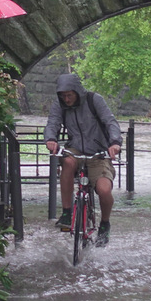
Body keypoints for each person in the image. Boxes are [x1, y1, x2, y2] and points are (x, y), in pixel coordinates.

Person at [44, 73, 122, 246]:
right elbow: (53, 123)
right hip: (75, 148)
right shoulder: (60, 105)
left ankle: (105, 224)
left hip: (99, 152)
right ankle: (66, 212)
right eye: (63, 96)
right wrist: (51, 139)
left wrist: (115, 143)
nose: (66, 99)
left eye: (69, 95)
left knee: (103, 190)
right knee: (68, 162)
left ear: (78, 92)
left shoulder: (95, 100)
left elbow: (110, 122)